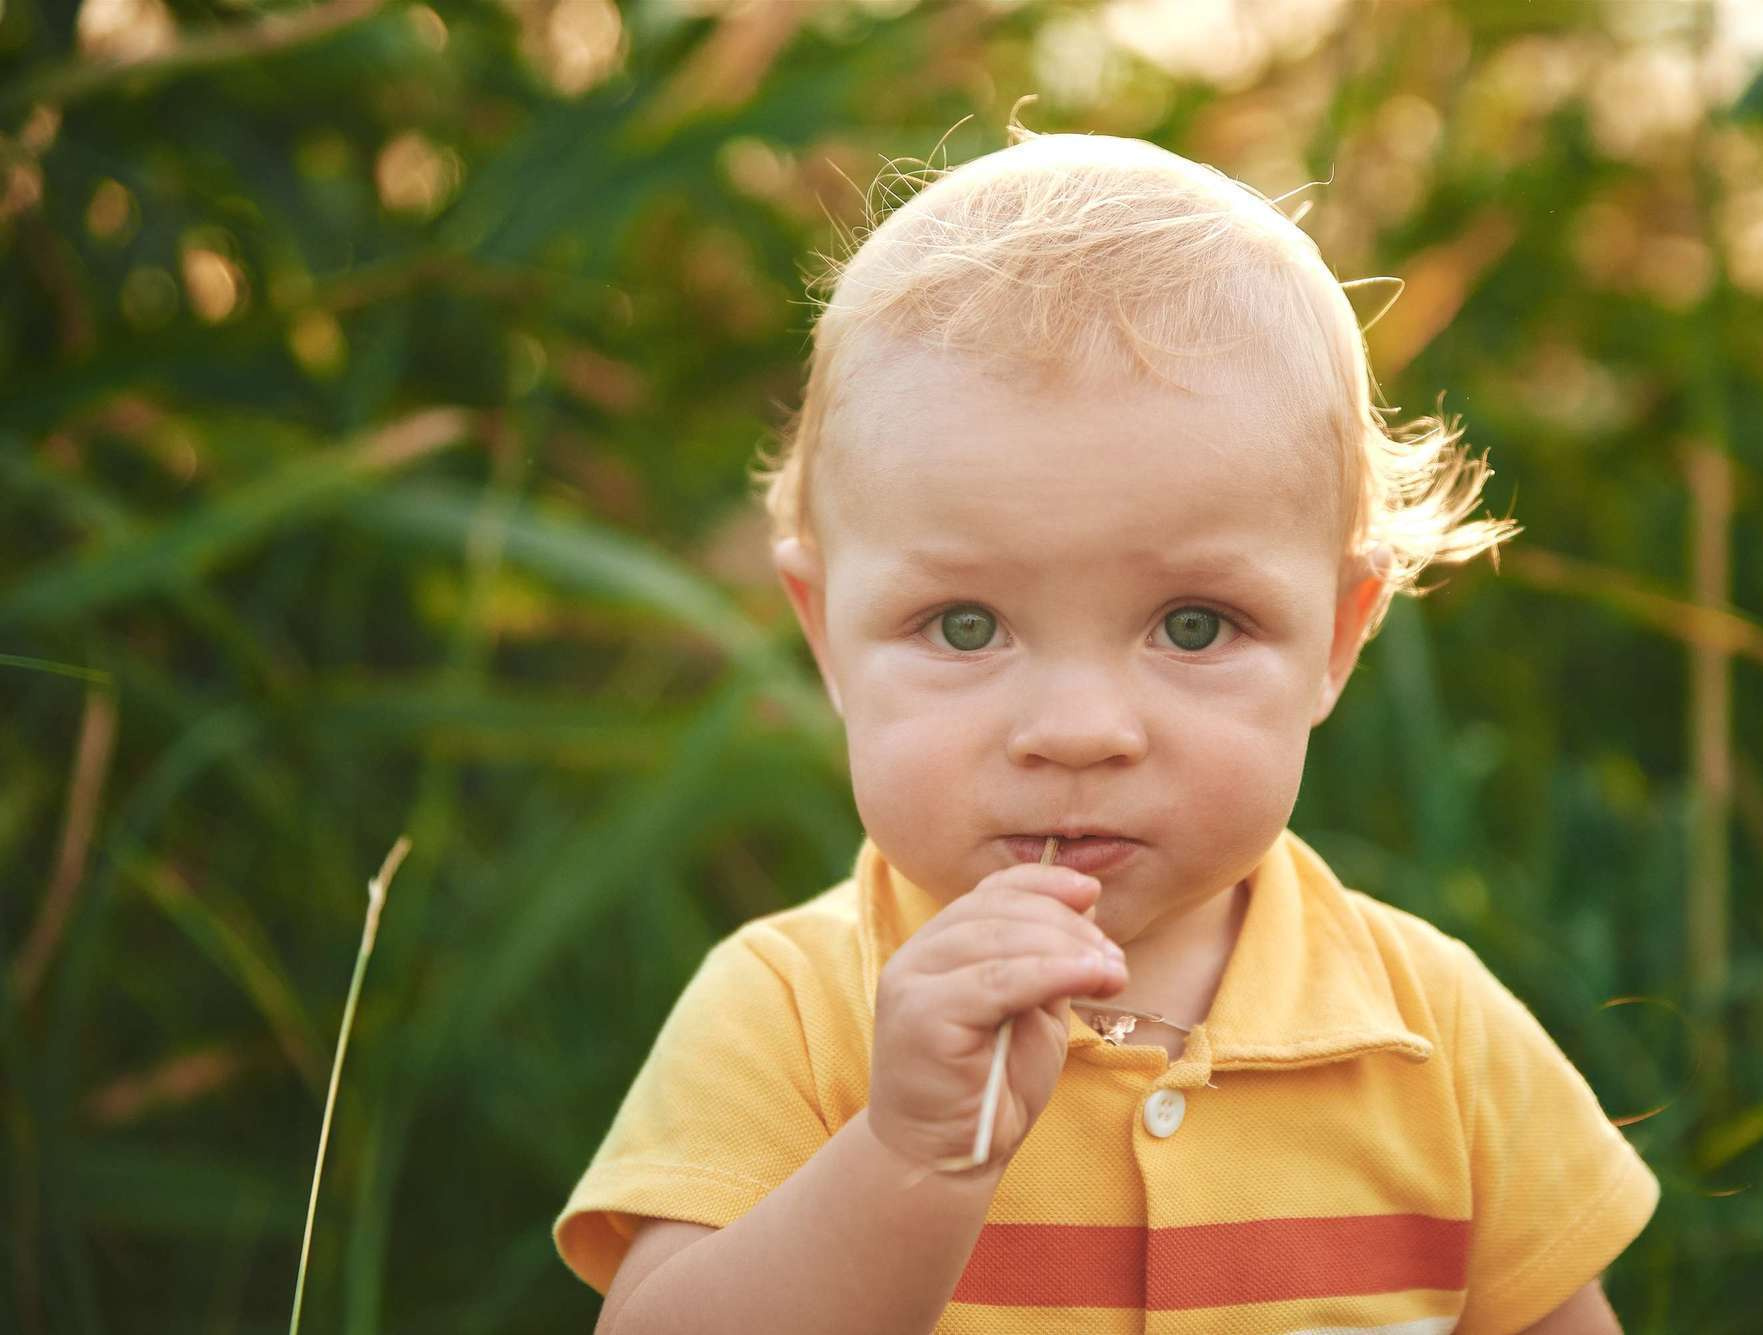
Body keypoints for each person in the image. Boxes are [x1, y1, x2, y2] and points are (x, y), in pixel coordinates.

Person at [554, 107, 1659, 1334]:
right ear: (823, 635)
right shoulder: (798, 1009)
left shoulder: (1427, 1032)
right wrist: (910, 1158)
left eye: (1192, 626)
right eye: (965, 626)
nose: (1077, 730)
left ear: (1338, 637)